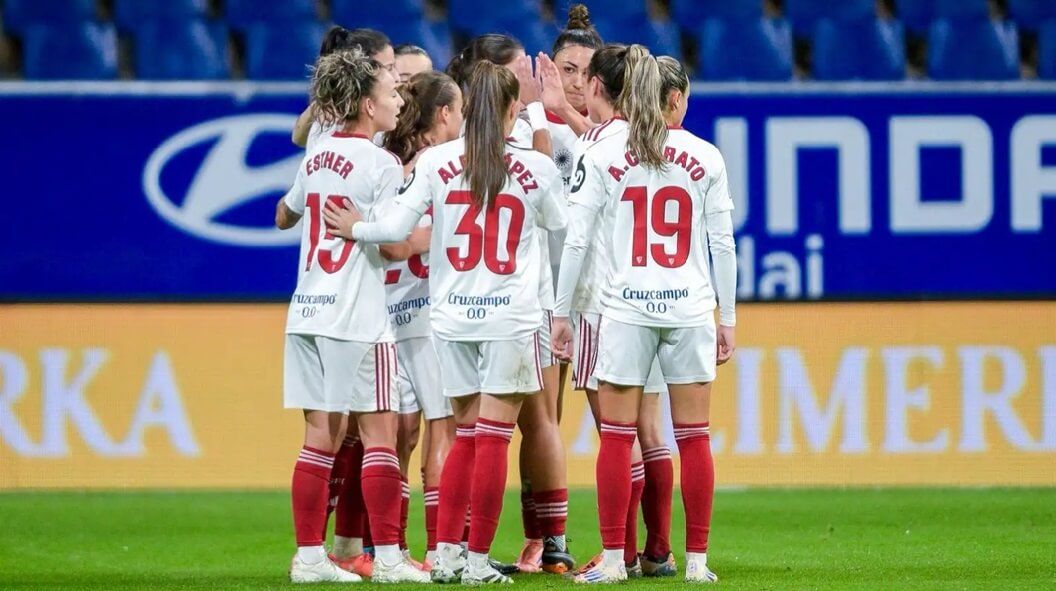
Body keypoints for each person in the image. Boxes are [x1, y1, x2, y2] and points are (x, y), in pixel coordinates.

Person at [324, 60, 568, 585]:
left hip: (452, 319)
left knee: (464, 435)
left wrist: (357, 227)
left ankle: (450, 554)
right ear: (508, 111)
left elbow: (395, 226)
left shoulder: (435, 162)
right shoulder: (534, 168)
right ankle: (478, 561)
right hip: (509, 318)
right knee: (494, 440)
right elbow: (563, 229)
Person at [552, 45, 738, 584]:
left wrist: (562, 313)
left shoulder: (606, 154)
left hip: (626, 308)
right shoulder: (706, 156)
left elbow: (579, 239)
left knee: (615, 435)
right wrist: (728, 318)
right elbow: (721, 244)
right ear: (675, 100)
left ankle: (614, 558)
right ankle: (696, 562)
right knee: (693, 437)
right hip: (686, 307)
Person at [275, 47, 430, 584]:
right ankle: (388, 557)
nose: (397, 102)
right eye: (390, 95)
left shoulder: (315, 156)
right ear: (367, 104)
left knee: (319, 436)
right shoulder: (381, 163)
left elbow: (282, 215)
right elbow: (390, 246)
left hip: (307, 311)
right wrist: (432, 229)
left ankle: (309, 558)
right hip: (357, 318)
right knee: (381, 434)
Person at [448, 33, 575, 575]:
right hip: (518, 296)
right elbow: (552, 197)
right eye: (522, 66)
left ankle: (543, 537)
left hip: (509, 298)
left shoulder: (467, 143)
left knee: (537, 419)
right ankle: (476, 545)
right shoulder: (508, 128)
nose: (535, 71)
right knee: (504, 424)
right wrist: (538, 115)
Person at [380, 71, 464, 569]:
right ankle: (440, 548)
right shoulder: (441, 167)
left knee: (393, 436)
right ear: (443, 114)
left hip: (390, 309)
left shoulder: (391, 163)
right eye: (458, 110)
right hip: (429, 310)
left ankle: (391, 549)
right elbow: (403, 240)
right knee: (443, 428)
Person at [292, 27, 396, 150]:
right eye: (388, 68)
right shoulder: (331, 123)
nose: (397, 76)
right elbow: (298, 138)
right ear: (361, 68)